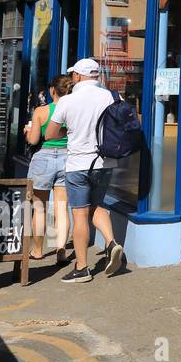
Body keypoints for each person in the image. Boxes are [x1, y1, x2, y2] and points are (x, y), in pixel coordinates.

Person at [43, 59, 126, 284]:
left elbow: (49, 134)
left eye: (73, 75)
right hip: (105, 163)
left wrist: (69, 132)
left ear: (78, 76)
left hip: (78, 165)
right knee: (97, 206)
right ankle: (111, 243)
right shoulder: (112, 97)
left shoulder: (67, 101)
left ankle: (82, 268)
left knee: (80, 214)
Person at [23, 74, 74, 263]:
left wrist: (27, 132)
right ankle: (61, 250)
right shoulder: (72, 110)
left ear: (52, 90)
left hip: (43, 158)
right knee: (62, 207)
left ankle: (37, 250)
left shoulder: (41, 111)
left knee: (39, 207)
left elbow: (34, 140)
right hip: (67, 157)